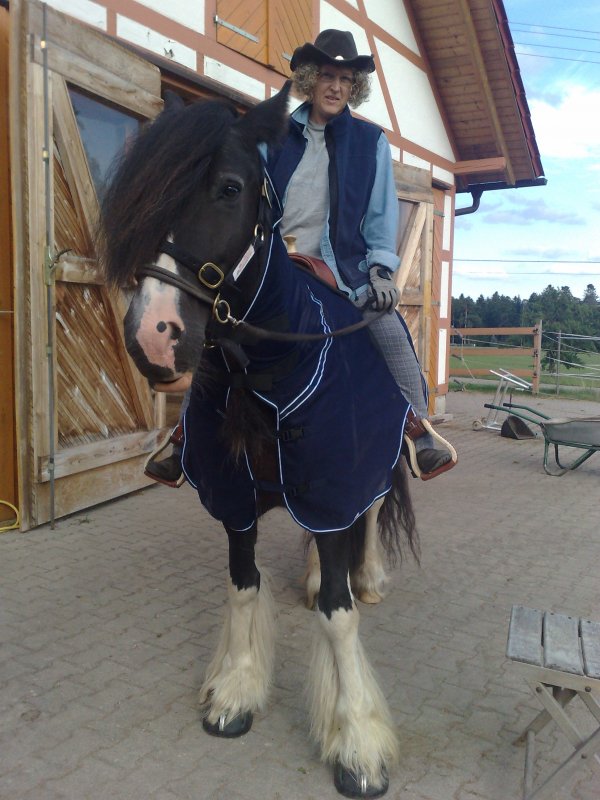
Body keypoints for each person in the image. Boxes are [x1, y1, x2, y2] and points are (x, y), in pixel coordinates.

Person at [267, 28, 455, 479]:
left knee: (388, 328)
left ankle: (418, 430)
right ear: (310, 79)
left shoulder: (370, 142)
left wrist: (381, 272)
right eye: (327, 76)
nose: (336, 87)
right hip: (274, 265)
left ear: (355, 87)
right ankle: (184, 434)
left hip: (340, 271)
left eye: (345, 79)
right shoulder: (274, 135)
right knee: (213, 322)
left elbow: (379, 216)